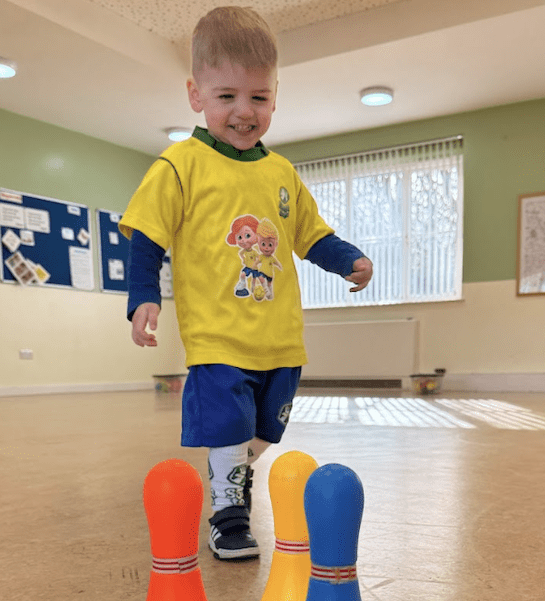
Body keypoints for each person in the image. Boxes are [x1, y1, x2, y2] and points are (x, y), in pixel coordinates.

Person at [119, 6, 373, 561]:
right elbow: (147, 236)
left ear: (275, 98)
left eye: (258, 97)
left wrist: (348, 259)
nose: (243, 111)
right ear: (196, 94)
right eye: (226, 95)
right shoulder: (180, 164)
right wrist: (143, 298)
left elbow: (311, 235)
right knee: (228, 426)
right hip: (217, 337)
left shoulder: (281, 172)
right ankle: (229, 515)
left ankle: (228, 471)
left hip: (278, 340)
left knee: (263, 432)